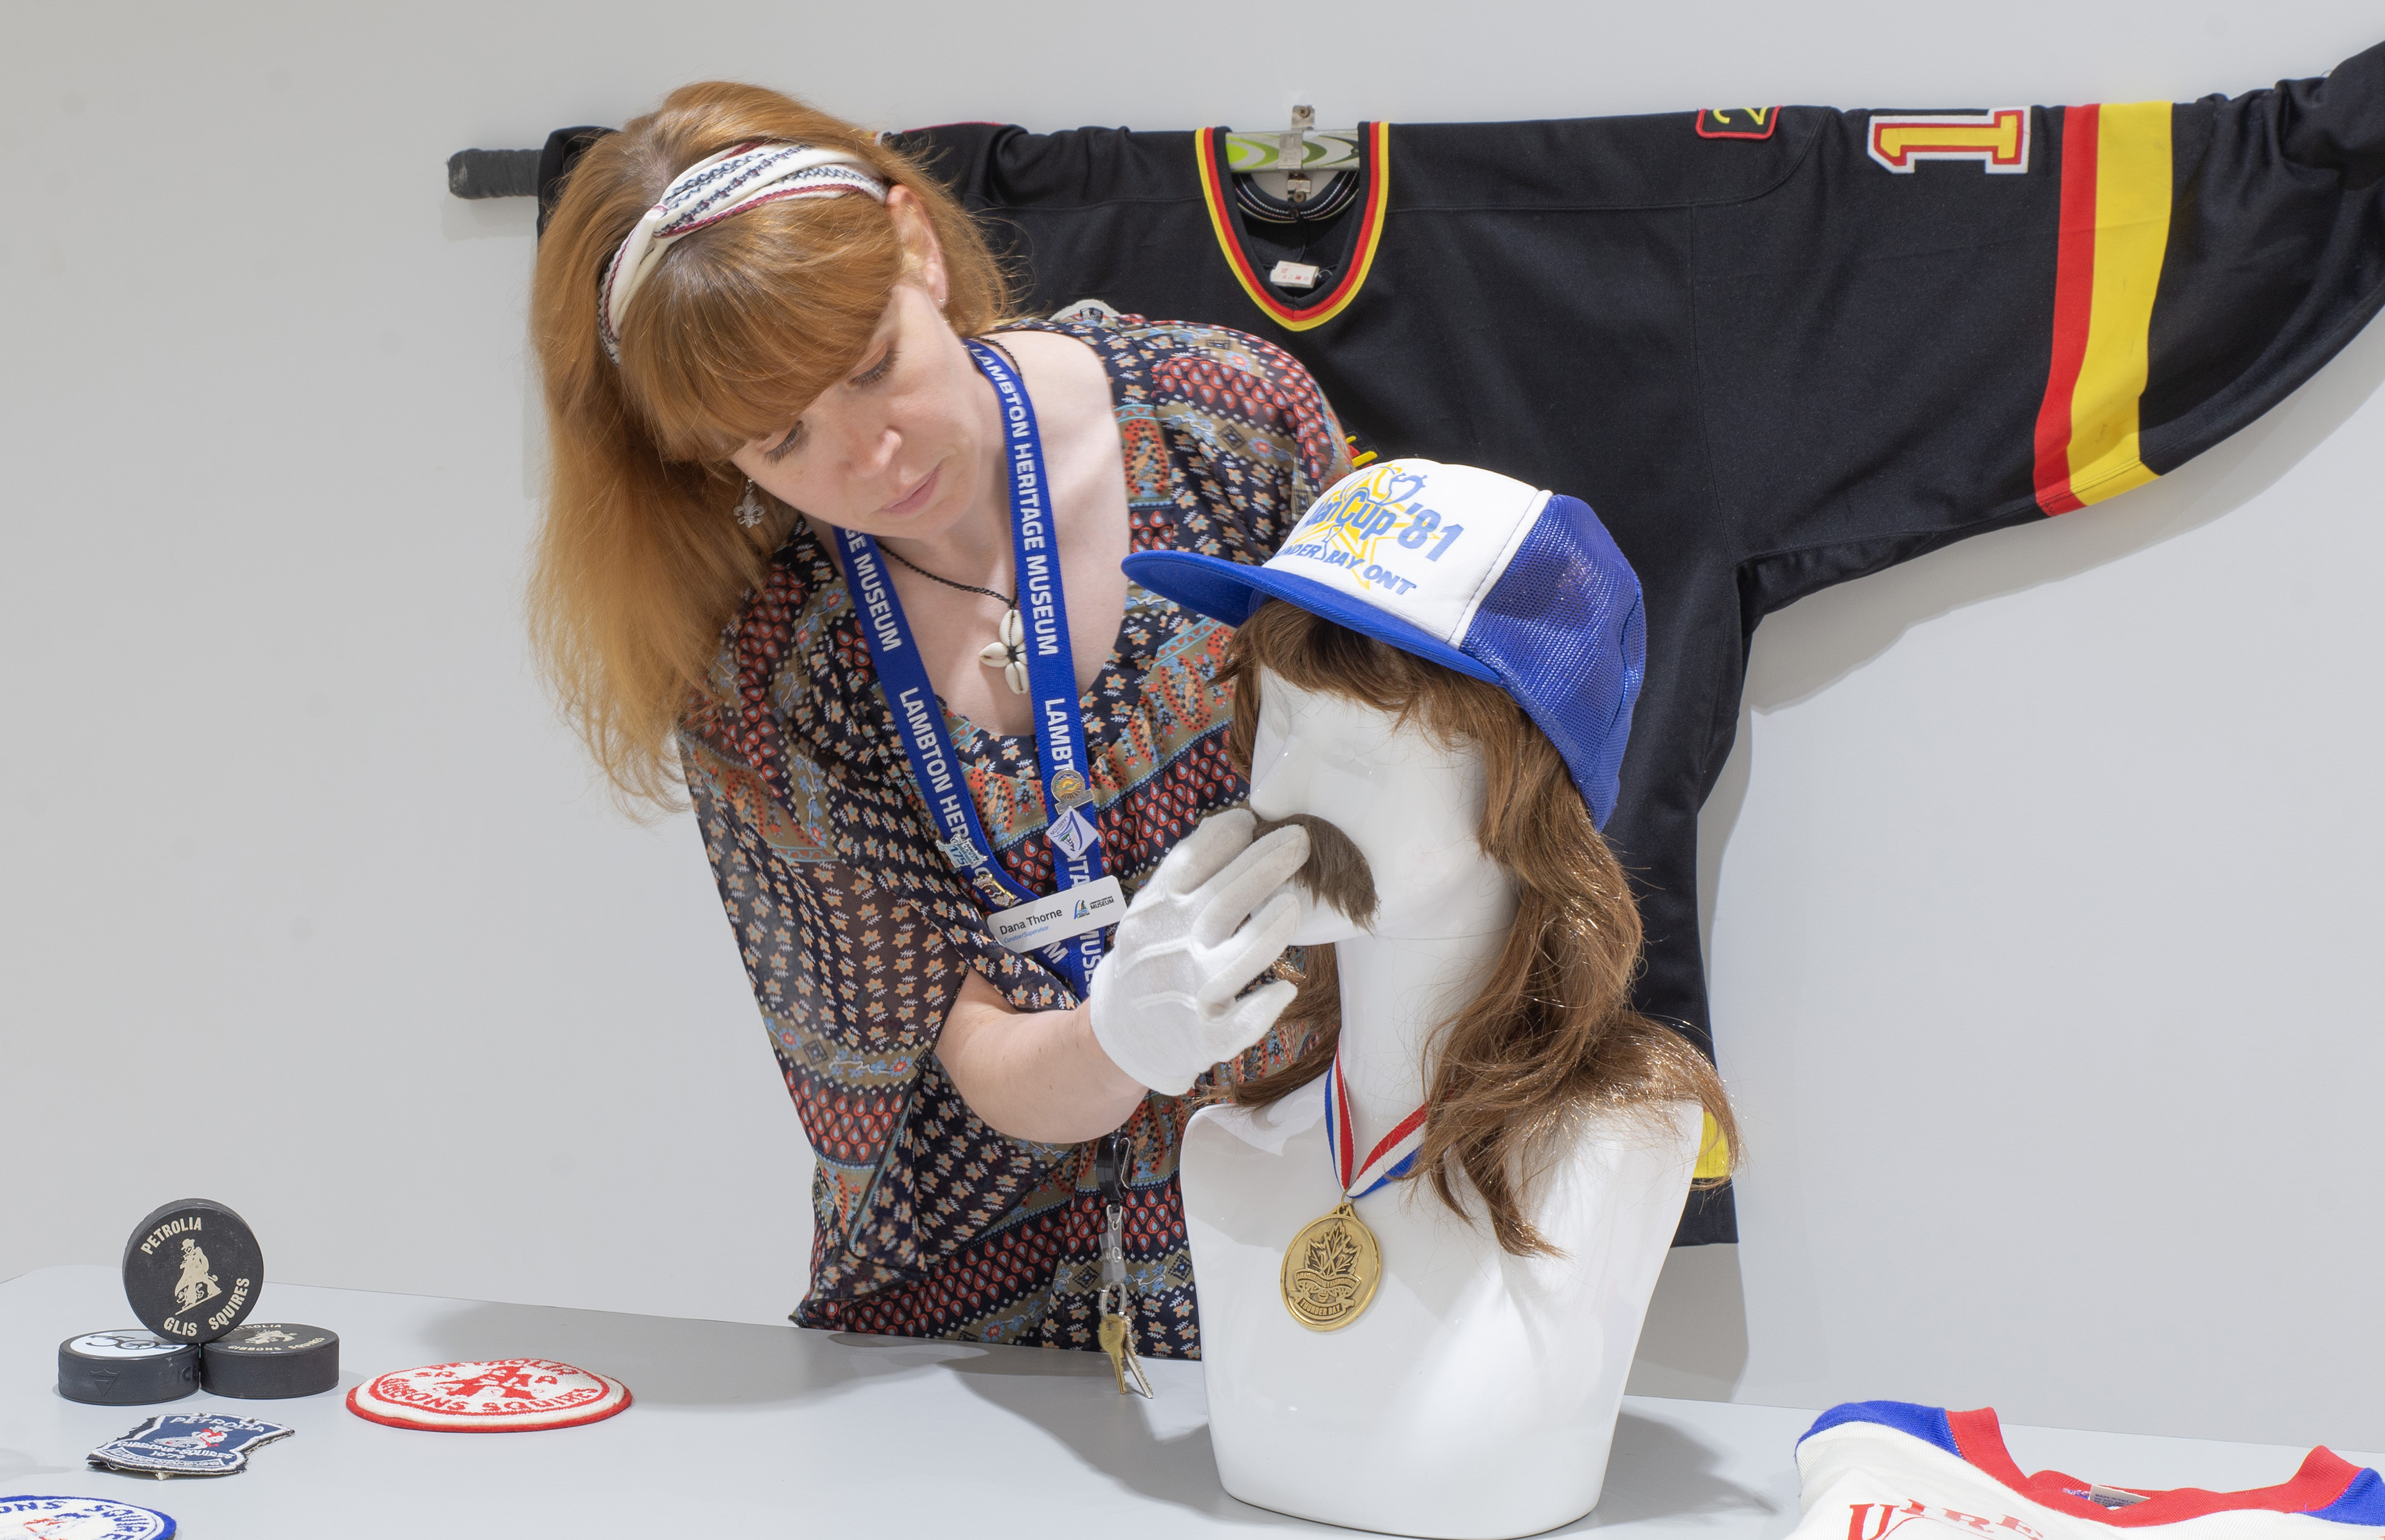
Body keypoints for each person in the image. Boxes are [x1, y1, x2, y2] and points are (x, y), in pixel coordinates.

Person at [528, 82, 1348, 1358]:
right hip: (978, 1330)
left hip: (1318, 1246)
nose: (873, 461)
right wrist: (1119, 1033)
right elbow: (971, 1060)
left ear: (917, 245)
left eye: (874, 367)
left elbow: (1419, 814)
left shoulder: (1228, 425)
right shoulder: (770, 673)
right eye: (783, 439)